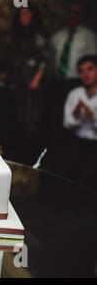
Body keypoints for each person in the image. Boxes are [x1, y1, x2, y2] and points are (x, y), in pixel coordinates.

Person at [10, 4, 48, 133]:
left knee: (33, 113)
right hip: (20, 78)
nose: (23, 17)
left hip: (33, 79)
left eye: (26, 13)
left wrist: (37, 78)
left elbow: (44, 59)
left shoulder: (38, 36)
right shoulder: (18, 35)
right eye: (21, 14)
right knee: (19, 113)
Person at [61, 55, 97, 190]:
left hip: (95, 146)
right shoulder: (75, 94)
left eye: (90, 69)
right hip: (77, 144)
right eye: (82, 71)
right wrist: (77, 113)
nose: (86, 74)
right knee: (75, 184)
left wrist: (90, 114)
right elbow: (67, 123)